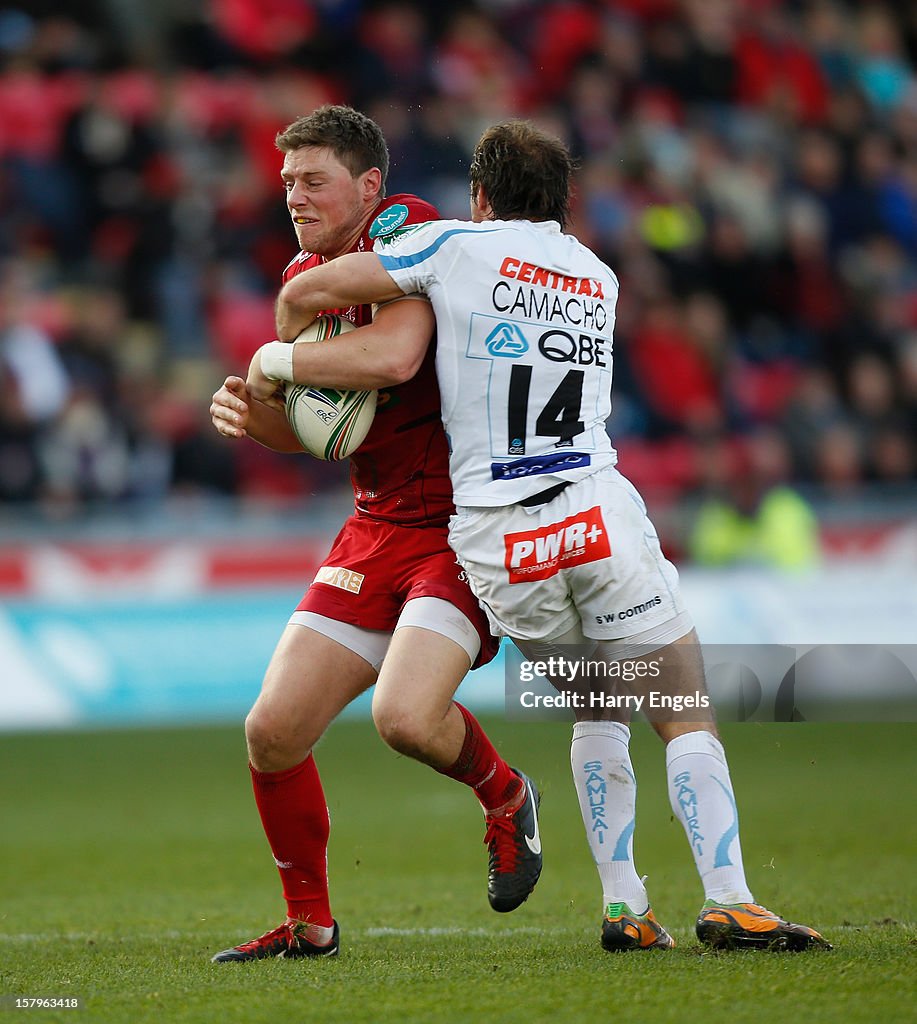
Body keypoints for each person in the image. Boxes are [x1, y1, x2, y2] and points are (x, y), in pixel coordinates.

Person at [248, 120, 833, 954]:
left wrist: (279, 345)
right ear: (564, 202)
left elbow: (330, 294)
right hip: (590, 506)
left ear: (480, 196)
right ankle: (729, 898)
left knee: (592, 710)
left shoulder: (450, 246)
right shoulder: (597, 274)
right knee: (677, 707)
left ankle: (625, 908)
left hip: (497, 535)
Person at [208, 106, 542, 963]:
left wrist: (273, 362)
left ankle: (505, 798)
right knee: (271, 730)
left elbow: (394, 357)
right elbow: (325, 435)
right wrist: (255, 416)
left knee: (403, 719)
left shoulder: (411, 232)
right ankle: (309, 924)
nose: (294, 196)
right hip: (374, 525)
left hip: (461, 526)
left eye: (313, 180)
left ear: (367, 186)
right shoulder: (306, 271)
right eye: (286, 182)